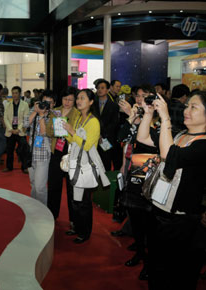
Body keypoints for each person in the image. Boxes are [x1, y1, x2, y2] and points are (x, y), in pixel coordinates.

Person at [137, 91, 206, 289]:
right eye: (187, 106)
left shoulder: (202, 145)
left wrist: (165, 116)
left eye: (194, 107)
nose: (187, 110)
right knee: (157, 266)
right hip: (159, 211)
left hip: (182, 219)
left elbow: (168, 154)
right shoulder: (178, 134)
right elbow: (143, 138)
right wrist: (149, 113)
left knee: (177, 273)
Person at [117, 88, 159, 280]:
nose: (140, 100)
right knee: (134, 216)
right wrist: (130, 119)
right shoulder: (135, 118)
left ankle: (150, 262)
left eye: (144, 97)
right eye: (138, 96)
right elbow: (121, 138)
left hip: (150, 177)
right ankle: (140, 252)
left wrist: (141, 120)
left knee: (149, 222)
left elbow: (153, 143)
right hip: (131, 173)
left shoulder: (160, 122)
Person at [63, 89, 107, 244]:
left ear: (91, 102)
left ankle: (84, 232)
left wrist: (71, 132)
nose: (78, 101)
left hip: (86, 166)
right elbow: (72, 140)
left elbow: (88, 146)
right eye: (78, 98)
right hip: (75, 163)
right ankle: (77, 227)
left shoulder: (93, 122)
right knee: (74, 198)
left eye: (82, 98)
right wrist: (65, 131)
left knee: (84, 201)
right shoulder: (77, 119)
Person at [46, 87, 80, 229]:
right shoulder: (55, 111)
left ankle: (74, 219)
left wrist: (68, 130)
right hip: (56, 151)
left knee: (71, 188)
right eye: (65, 99)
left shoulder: (78, 113)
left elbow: (77, 133)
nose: (67, 102)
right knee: (54, 185)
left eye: (71, 100)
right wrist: (56, 131)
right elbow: (48, 130)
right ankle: (52, 214)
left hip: (71, 152)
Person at [24, 90, 54, 205]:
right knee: (33, 184)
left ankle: (43, 212)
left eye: (50, 103)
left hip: (43, 155)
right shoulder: (35, 110)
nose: (46, 105)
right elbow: (25, 124)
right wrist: (35, 111)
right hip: (32, 153)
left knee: (40, 187)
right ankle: (35, 207)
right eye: (45, 102)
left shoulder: (55, 115)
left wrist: (41, 116)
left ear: (54, 104)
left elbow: (44, 132)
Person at [94, 79, 120, 171]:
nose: (99, 90)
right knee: (95, 163)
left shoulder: (113, 106)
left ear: (107, 90)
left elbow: (114, 123)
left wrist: (102, 135)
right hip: (94, 138)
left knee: (106, 162)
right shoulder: (93, 104)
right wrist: (97, 135)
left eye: (102, 88)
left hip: (107, 139)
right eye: (98, 88)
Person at [3, 86, 30, 173]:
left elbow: (26, 118)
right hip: (10, 131)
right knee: (9, 150)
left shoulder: (25, 105)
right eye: (13, 93)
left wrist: (18, 129)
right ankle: (9, 167)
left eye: (16, 93)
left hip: (20, 131)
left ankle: (25, 167)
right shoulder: (7, 105)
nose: (14, 95)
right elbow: (5, 118)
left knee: (24, 150)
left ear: (19, 94)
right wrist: (11, 129)